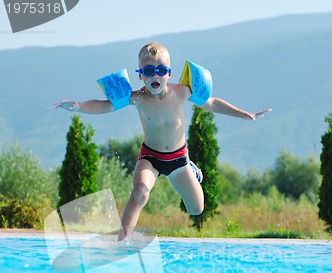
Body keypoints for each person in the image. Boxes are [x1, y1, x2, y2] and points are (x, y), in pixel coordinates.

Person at [55, 42, 271, 240]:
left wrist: (245, 114)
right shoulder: (137, 98)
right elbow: (104, 105)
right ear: (140, 75)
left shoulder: (182, 92)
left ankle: (193, 171)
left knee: (196, 209)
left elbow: (212, 103)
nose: (154, 76)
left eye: (161, 70)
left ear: (169, 73)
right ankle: (119, 243)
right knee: (140, 192)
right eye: (148, 71)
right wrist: (78, 106)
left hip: (179, 159)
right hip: (150, 157)